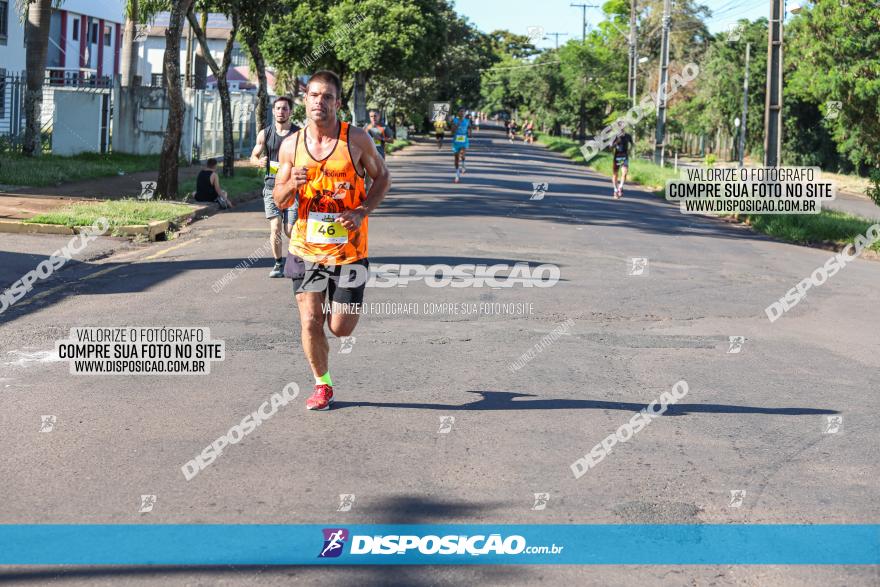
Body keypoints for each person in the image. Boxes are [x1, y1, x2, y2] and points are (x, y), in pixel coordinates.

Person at [272, 70, 391, 412]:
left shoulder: (356, 141)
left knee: (339, 328)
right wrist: (291, 184)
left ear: (337, 103)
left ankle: (341, 309)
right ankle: (322, 385)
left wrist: (362, 210)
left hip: (349, 252)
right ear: (304, 101)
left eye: (326, 97)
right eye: (313, 95)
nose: (319, 102)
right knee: (310, 321)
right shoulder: (291, 145)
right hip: (306, 249)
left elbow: (383, 177)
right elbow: (279, 200)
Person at [250, 96, 301, 277]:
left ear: (291, 112)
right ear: (273, 111)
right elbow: (253, 156)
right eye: (278, 108)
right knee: (275, 227)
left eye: (285, 109)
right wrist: (258, 162)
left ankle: (299, 259)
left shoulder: (298, 134)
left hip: (292, 188)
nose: (281, 112)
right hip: (271, 187)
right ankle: (278, 264)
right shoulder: (265, 133)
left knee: (290, 230)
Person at [610, 128, 634, 199]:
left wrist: (629, 150)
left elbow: (632, 144)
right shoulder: (614, 137)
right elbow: (610, 147)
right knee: (615, 174)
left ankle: (620, 187)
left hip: (624, 157)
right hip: (617, 157)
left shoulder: (628, 136)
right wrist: (616, 142)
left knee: (625, 172)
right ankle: (615, 190)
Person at [450, 107, 471, 184]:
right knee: (456, 158)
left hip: (464, 140)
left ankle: (463, 164)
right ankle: (457, 173)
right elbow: (452, 132)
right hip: (456, 141)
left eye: (463, 112)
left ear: (465, 113)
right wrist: (457, 124)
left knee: (462, 153)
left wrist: (469, 133)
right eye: (461, 111)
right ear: (458, 113)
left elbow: (469, 129)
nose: (462, 113)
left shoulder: (467, 121)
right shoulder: (454, 120)